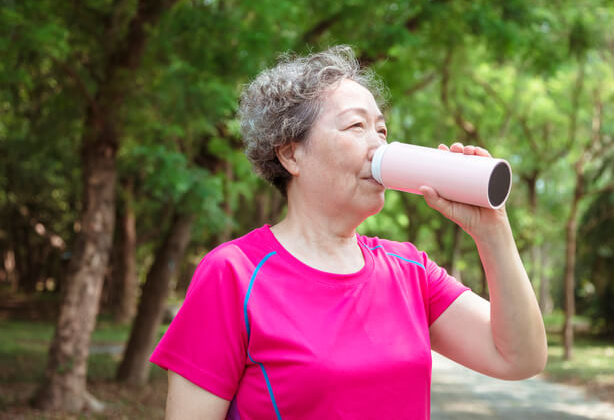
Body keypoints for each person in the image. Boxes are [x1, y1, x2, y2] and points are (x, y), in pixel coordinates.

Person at [149, 45, 547, 419]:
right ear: (291, 153)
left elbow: (519, 358)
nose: (378, 145)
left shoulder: (410, 270)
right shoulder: (235, 273)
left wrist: (493, 231)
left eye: (382, 130)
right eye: (356, 126)